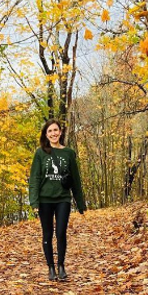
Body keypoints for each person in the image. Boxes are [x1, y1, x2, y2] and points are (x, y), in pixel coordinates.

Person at [28, 119, 86, 281]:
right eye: (50, 131)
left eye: (55, 130)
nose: (53, 133)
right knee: (47, 234)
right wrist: (34, 202)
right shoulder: (40, 153)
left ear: (60, 132)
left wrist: (80, 203)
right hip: (45, 199)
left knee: (61, 232)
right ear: (46, 135)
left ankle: (61, 266)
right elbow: (34, 178)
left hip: (63, 199)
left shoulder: (69, 153)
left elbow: (75, 179)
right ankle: (51, 268)